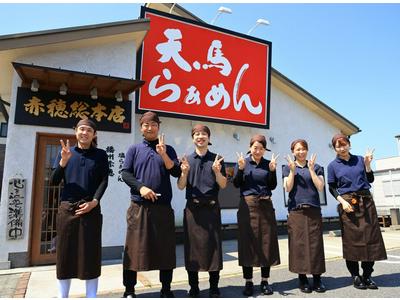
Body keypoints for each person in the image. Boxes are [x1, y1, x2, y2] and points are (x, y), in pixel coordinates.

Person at [121, 111, 181, 298]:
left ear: (158, 127)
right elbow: (125, 173)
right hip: (139, 208)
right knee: (132, 249)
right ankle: (129, 289)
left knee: (165, 249)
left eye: (153, 124)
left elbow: (176, 172)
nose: (150, 128)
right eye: (146, 125)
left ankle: (166, 288)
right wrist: (141, 188)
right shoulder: (134, 149)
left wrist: (163, 154)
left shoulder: (168, 149)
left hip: (163, 208)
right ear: (141, 128)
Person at [51, 119, 109, 298]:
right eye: (81, 129)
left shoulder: (100, 155)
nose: (85, 133)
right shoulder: (66, 153)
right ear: (75, 131)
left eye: (89, 130)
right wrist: (63, 162)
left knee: (90, 254)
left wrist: (94, 201)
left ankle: (91, 296)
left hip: (90, 210)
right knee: (65, 254)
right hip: (68, 209)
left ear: (94, 134)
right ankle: (63, 296)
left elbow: (104, 181)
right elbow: (54, 181)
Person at [327, 133, 387, 290]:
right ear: (335, 148)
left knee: (371, 240)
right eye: (338, 146)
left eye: (344, 144)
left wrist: (367, 165)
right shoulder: (332, 166)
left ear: (349, 144)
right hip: (348, 205)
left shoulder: (360, 159)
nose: (342, 148)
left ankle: (367, 275)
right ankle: (355, 276)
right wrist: (342, 202)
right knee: (351, 242)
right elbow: (332, 187)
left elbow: (371, 179)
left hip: (366, 202)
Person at [178, 124, 227, 298]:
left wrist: (217, 172)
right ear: (193, 138)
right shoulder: (186, 160)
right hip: (193, 209)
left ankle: (214, 286)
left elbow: (223, 184)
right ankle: (194, 287)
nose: (200, 137)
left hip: (212, 208)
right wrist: (183, 173)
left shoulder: (217, 159)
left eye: (204, 134)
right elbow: (180, 186)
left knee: (214, 247)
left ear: (209, 138)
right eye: (197, 134)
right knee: (192, 249)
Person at [233, 134, 280, 297]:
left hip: (266, 205)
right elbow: (236, 184)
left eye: (261, 148)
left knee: (266, 242)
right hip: (247, 206)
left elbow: (272, 186)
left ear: (265, 149)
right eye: (255, 147)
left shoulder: (269, 164)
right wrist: (239, 169)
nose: (258, 150)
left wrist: (273, 171)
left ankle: (265, 281)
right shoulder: (243, 162)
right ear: (250, 147)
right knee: (248, 243)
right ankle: (248, 282)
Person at [282, 139, 326, 293]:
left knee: (315, 245)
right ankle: (302, 279)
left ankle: (317, 278)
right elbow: (287, 188)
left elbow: (320, 187)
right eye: (297, 149)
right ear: (293, 152)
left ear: (307, 150)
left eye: (303, 149)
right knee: (298, 245)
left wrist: (312, 170)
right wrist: (293, 171)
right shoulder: (287, 168)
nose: (301, 152)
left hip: (313, 210)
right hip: (296, 211)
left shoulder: (317, 167)